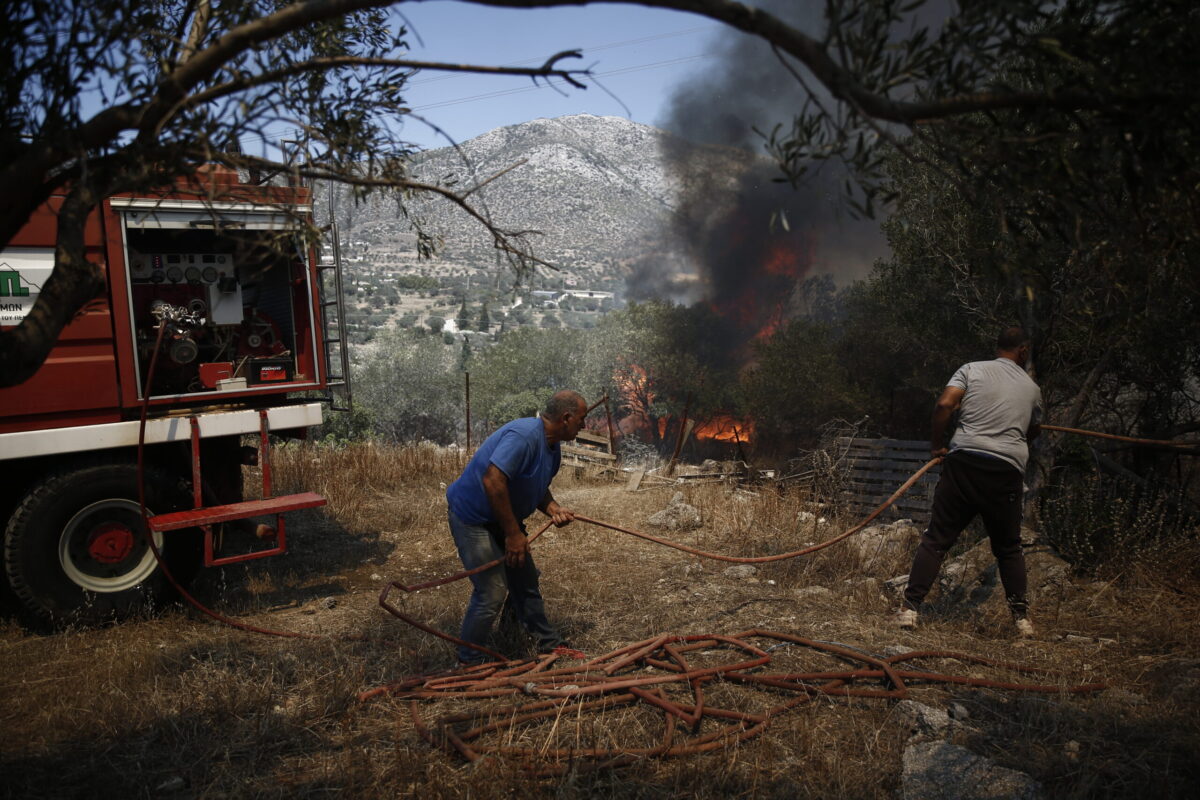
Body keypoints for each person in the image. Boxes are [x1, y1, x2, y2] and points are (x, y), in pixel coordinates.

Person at [896, 327, 1043, 636]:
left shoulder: (971, 370)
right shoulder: (1032, 389)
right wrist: (1013, 434)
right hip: (1006, 471)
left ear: (997, 346)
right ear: (1024, 350)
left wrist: (938, 444)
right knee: (1009, 548)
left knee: (936, 540)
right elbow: (1033, 430)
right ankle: (1022, 621)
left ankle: (910, 610)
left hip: (965, 464)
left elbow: (944, 405)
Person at [445, 390, 587, 664]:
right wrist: (513, 534)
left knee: (525, 579)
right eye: (582, 419)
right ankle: (469, 661)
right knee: (492, 590)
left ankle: (546, 643)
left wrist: (553, 508)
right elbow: (493, 481)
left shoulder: (552, 446)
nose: (584, 425)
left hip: (501, 517)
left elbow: (535, 485)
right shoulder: (523, 436)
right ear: (566, 418)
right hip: (473, 518)